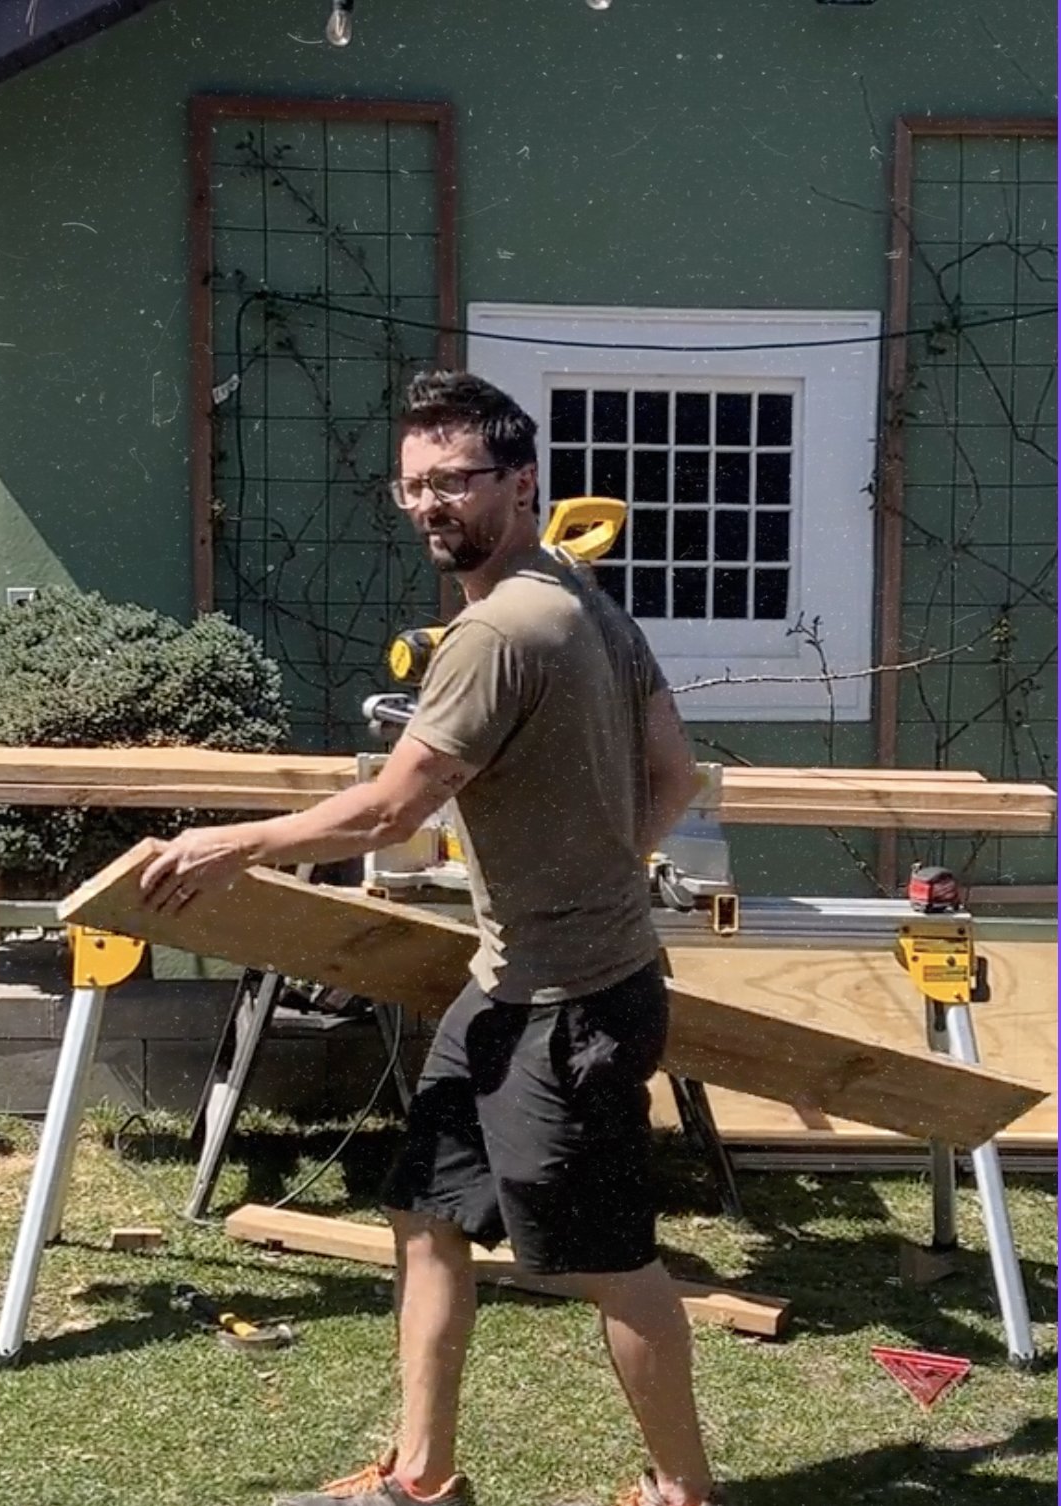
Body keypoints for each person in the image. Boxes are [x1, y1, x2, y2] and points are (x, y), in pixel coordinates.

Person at [140, 372, 728, 1506]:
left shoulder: (499, 630)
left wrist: (230, 844)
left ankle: (683, 1494)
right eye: (411, 485)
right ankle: (421, 1479)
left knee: (611, 1262)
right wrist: (607, 861)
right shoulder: (585, 602)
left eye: (455, 480)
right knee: (429, 1209)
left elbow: (389, 812)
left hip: (570, 1005)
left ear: (522, 482)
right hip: (510, 984)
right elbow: (673, 774)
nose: (428, 504)